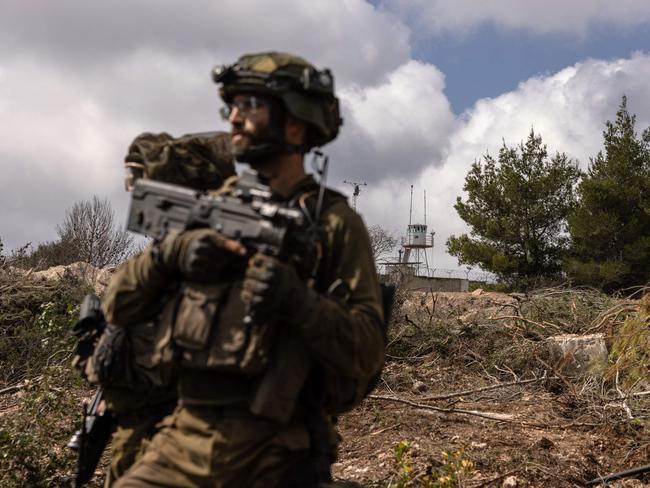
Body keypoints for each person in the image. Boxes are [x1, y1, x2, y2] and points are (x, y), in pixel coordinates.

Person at [103, 51, 385, 487]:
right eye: (230, 106)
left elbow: (367, 353)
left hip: (280, 450)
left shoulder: (333, 223)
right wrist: (169, 255)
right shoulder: (211, 204)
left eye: (250, 105)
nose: (233, 118)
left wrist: (300, 302)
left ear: (296, 120)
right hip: (182, 440)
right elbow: (117, 307)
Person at [72, 131, 236, 486]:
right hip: (133, 426)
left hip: (181, 433)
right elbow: (121, 314)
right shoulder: (157, 260)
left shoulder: (219, 264)